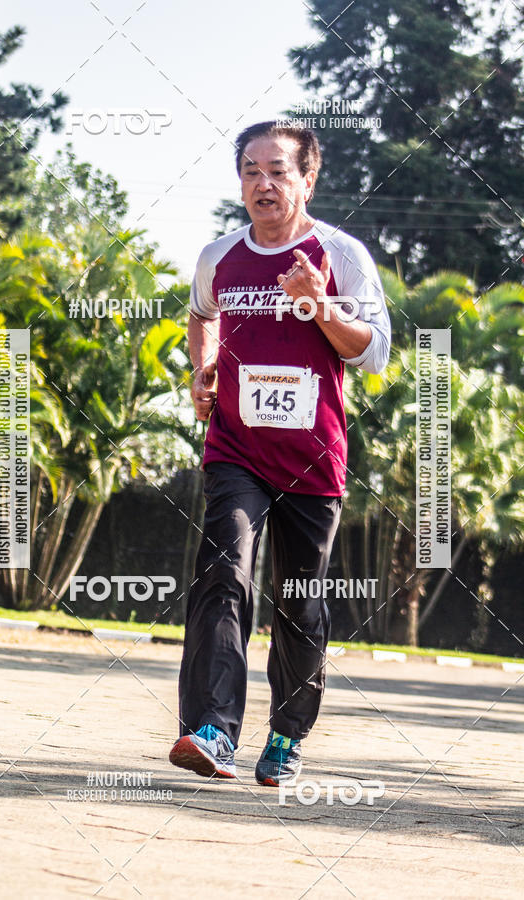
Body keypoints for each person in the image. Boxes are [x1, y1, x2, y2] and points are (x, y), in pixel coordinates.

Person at [169, 120, 391, 785]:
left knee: (299, 601)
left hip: (312, 458)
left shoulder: (339, 253)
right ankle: (212, 729)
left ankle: (288, 735)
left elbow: (374, 352)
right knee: (223, 571)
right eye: (250, 172)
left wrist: (319, 306)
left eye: (278, 171)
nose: (262, 184)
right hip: (235, 447)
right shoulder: (220, 256)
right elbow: (201, 313)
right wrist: (202, 369)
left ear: (307, 179)